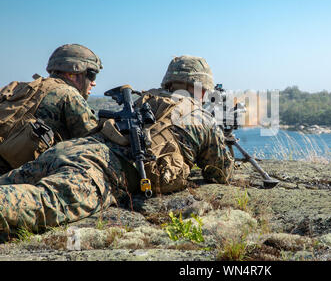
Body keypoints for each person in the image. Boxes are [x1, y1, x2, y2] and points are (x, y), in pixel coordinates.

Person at [0, 55, 234, 235]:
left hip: (68, 151)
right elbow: (221, 172)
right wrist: (222, 133)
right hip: (98, 170)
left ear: (170, 82)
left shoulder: (145, 98)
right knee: (43, 203)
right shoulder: (201, 118)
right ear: (204, 89)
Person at [0, 44, 102, 174]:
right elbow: (95, 144)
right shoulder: (68, 95)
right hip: (24, 181)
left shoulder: (19, 88)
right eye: (91, 75)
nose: (93, 82)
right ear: (73, 73)